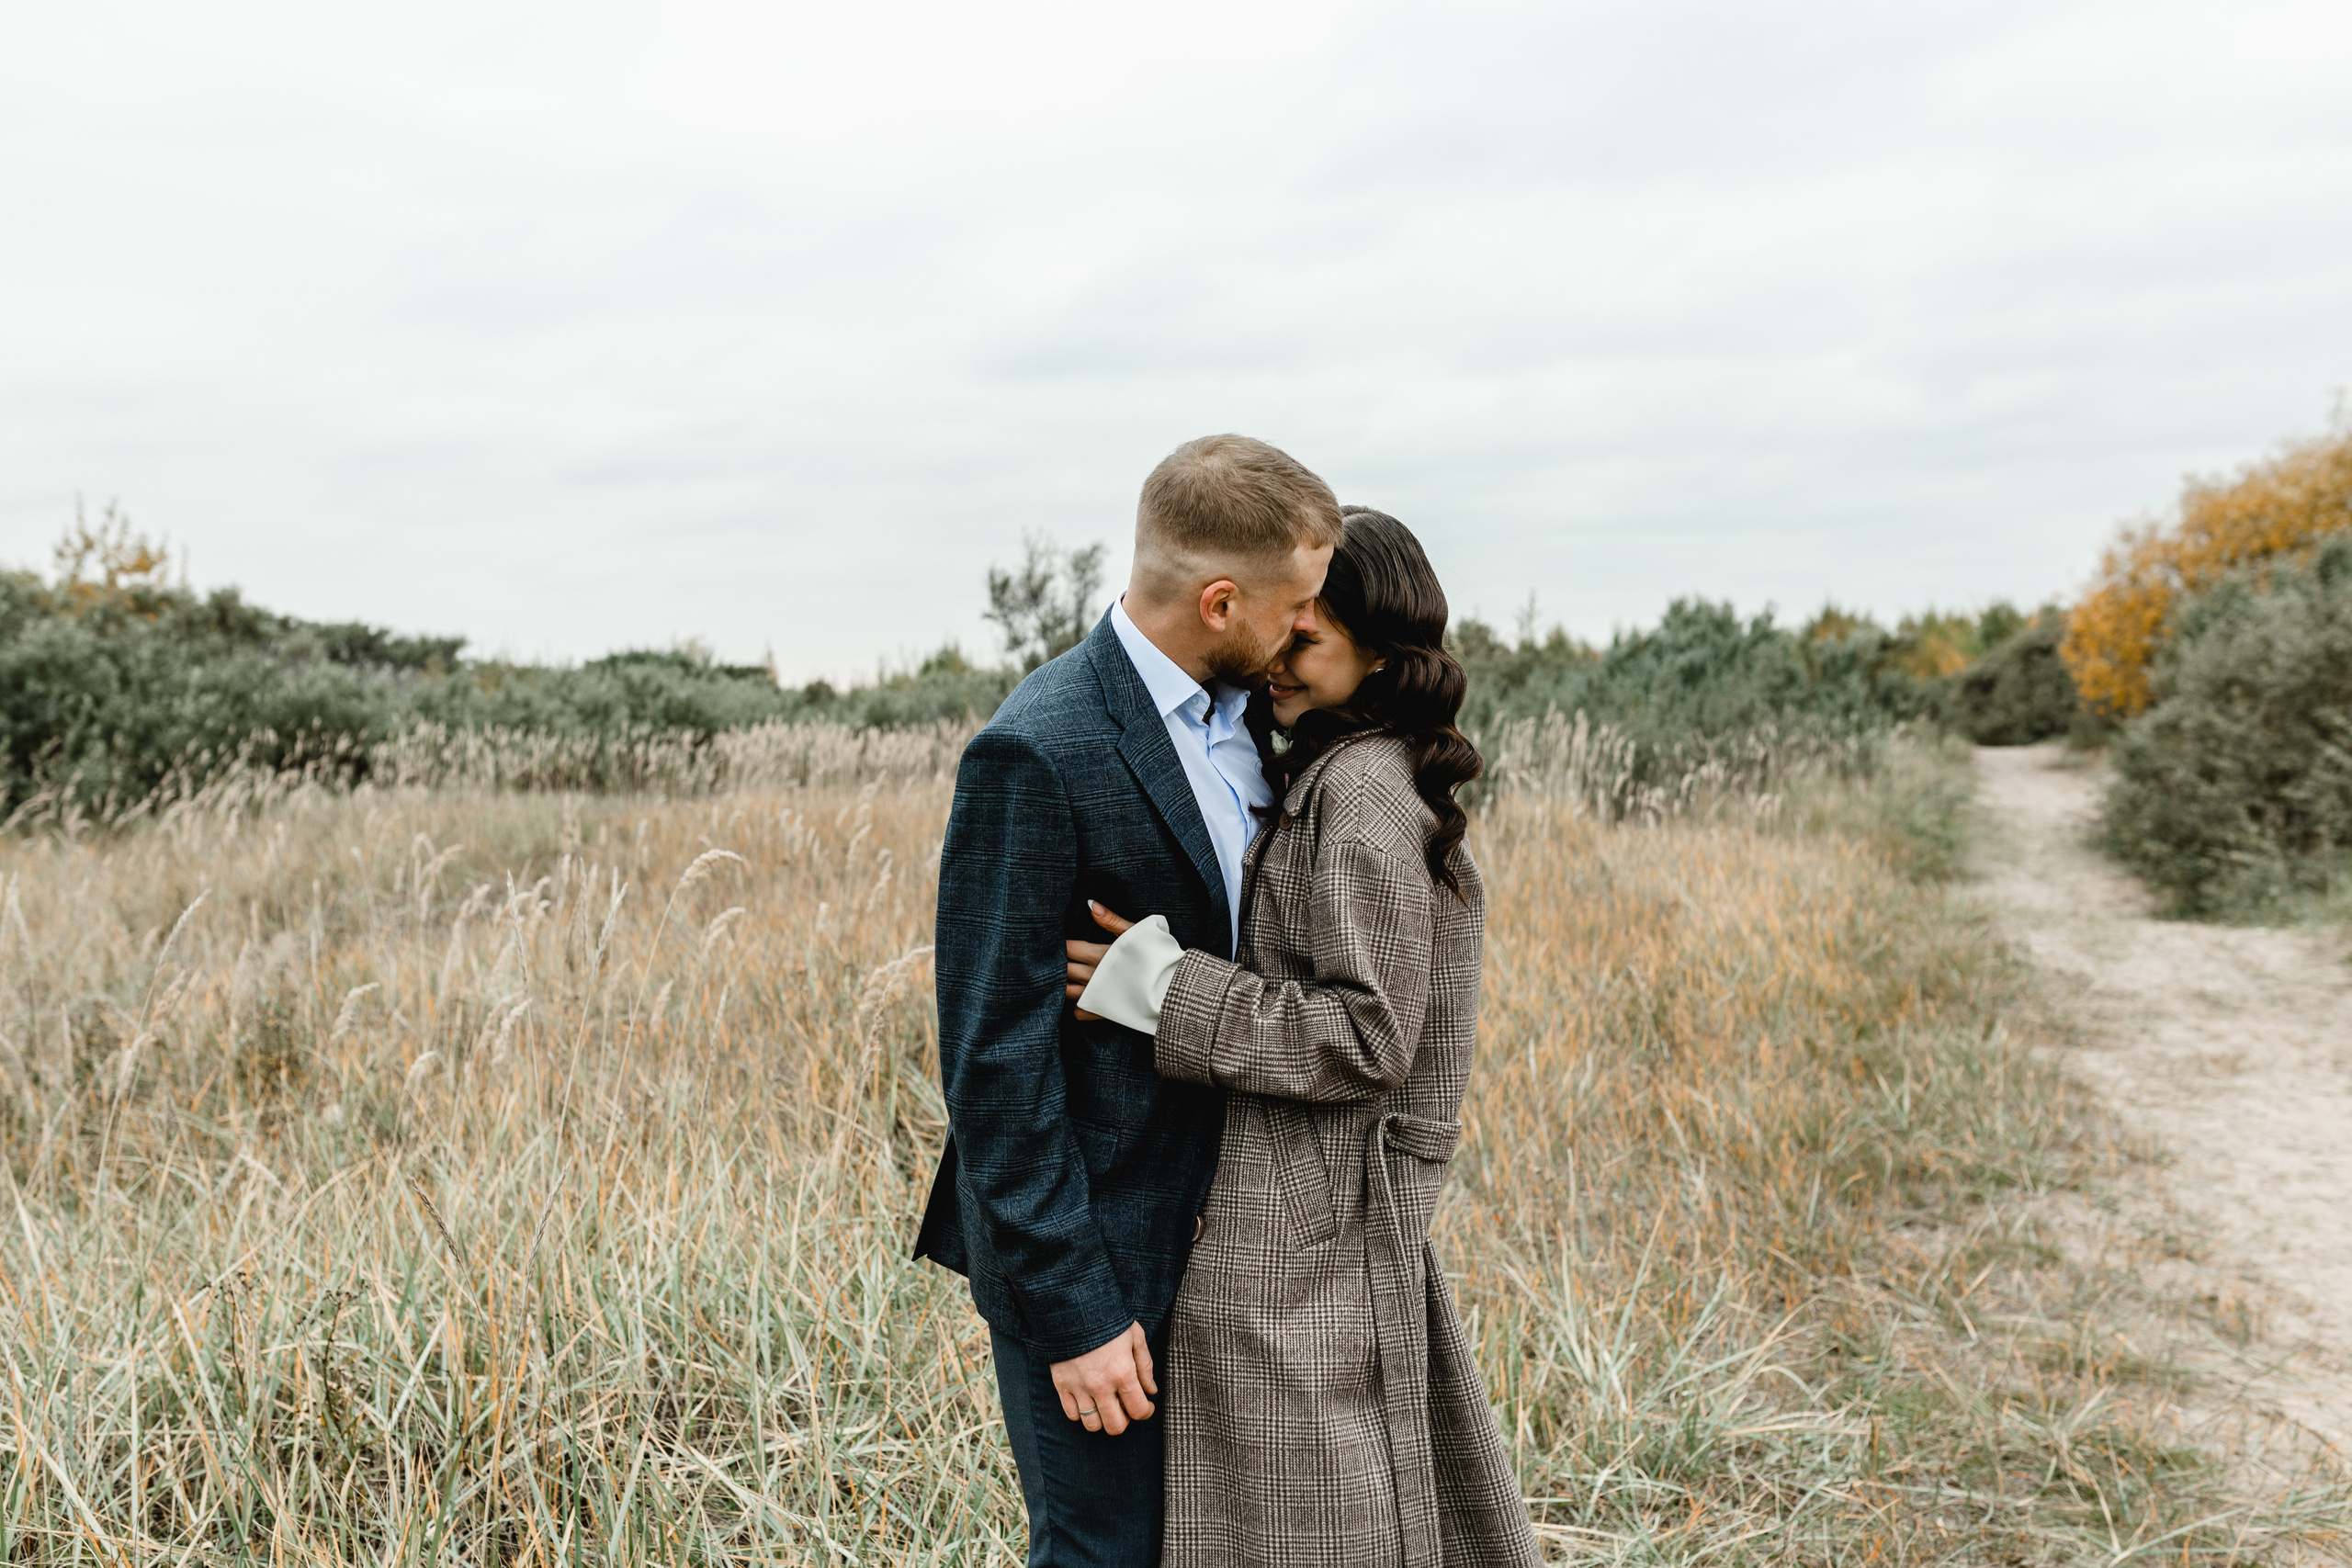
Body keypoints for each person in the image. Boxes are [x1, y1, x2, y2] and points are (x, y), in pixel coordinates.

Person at [1066, 508, 1543, 1567]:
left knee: (1310, 1529)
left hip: (1306, 1223)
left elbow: (1369, 1033)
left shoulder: (1362, 788)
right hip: (1313, 1212)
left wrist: (1169, 991)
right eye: (1281, 633)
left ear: (1378, 649)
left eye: (1305, 640)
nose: (1274, 662)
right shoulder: (1341, 771)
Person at [912, 434, 1344, 1566]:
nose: (1307, 627)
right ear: (1218, 600)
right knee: (1100, 1555)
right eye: (1295, 605)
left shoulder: (1252, 724)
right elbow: (992, 1064)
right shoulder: (1037, 751)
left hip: (1223, 1247)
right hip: (1096, 1257)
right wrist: (1078, 1313)